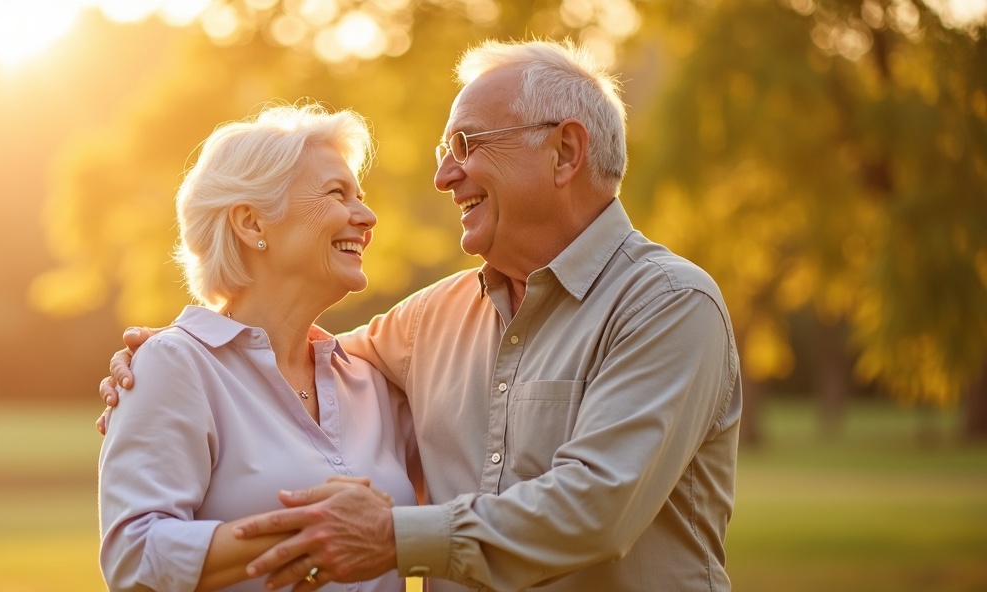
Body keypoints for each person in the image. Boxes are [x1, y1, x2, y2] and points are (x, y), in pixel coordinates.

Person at [100, 39, 741, 592]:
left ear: (565, 153)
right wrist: (174, 357)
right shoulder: (431, 319)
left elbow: (597, 509)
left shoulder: (668, 305)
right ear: (250, 223)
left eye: (466, 144)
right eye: (445, 148)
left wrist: (390, 535)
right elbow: (274, 362)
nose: (443, 175)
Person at [96, 103, 420, 592]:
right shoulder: (175, 365)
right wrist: (314, 530)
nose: (368, 216)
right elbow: (135, 555)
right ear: (252, 224)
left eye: (361, 196)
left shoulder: (373, 379)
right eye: (338, 193)